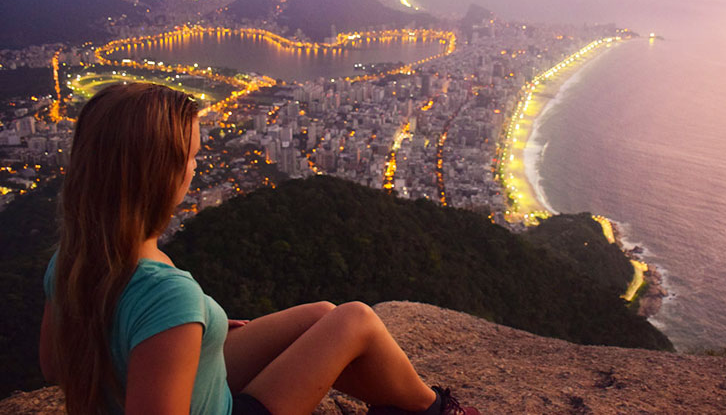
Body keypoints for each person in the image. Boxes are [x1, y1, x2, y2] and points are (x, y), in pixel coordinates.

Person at [38, 83, 478, 415]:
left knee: (322, 314)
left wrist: (195, 335)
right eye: (192, 157)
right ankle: (435, 410)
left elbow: (53, 365)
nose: (197, 168)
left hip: (190, 376)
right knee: (356, 318)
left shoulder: (74, 258)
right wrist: (178, 328)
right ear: (161, 175)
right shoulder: (168, 295)